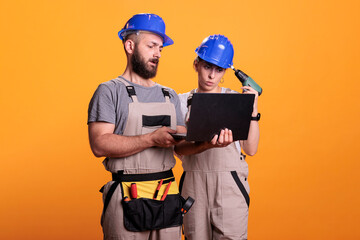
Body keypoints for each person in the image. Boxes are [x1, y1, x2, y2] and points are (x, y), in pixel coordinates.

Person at [87, 13, 186, 240]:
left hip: (167, 195)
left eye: (160, 48)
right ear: (129, 45)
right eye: (151, 46)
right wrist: (151, 139)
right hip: (126, 196)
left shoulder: (169, 94)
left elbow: (180, 148)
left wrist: (206, 141)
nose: (157, 54)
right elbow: (99, 144)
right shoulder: (109, 91)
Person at [175, 34, 260, 240]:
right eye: (207, 67)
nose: (212, 75)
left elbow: (251, 149)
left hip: (229, 183)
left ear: (225, 71)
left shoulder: (236, 101)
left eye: (219, 69)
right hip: (194, 185)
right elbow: (177, 150)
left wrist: (252, 110)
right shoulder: (180, 101)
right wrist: (204, 144)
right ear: (196, 64)